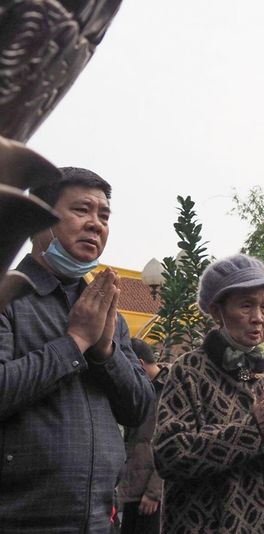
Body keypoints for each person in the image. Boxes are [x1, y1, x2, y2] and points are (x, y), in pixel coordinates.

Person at [0, 167, 154, 533]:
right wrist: (74, 343)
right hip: (19, 519)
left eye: (103, 216)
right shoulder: (8, 296)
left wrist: (105, 352)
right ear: (38, 221)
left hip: (99, 519)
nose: (95, 224)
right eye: (81, 210)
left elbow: (139, 409)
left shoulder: (104, 306)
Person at [153, 254, 264, 533]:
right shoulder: (189, 370)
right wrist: (253, 429)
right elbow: (169, 455)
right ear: (217, 312)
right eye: (245, 306)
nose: (258, 318)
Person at [117, 338, 170, 534]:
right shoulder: (139, 393)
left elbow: (170, 445)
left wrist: (154, 492)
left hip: (151, 497)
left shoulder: (168, 392)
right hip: (132, 490)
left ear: (139, 364)